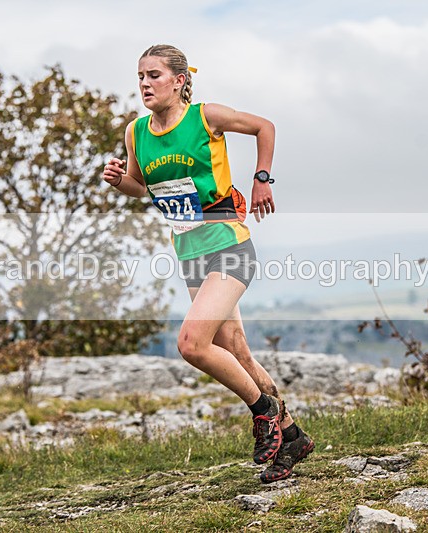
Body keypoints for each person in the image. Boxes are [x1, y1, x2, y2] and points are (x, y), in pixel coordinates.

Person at [102, 44, 314, 483]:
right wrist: (119, 180)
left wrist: (261, 179)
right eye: (140, 76)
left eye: (154, 75)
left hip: (227, 243)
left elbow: (264, 126)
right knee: (235, 350)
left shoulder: (205, 117)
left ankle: (264, 412)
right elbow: (141, 188)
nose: (144, 84)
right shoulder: (136, 132)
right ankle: (291, 437)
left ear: (179, 81)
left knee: (192, 343)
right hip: (189, 252)